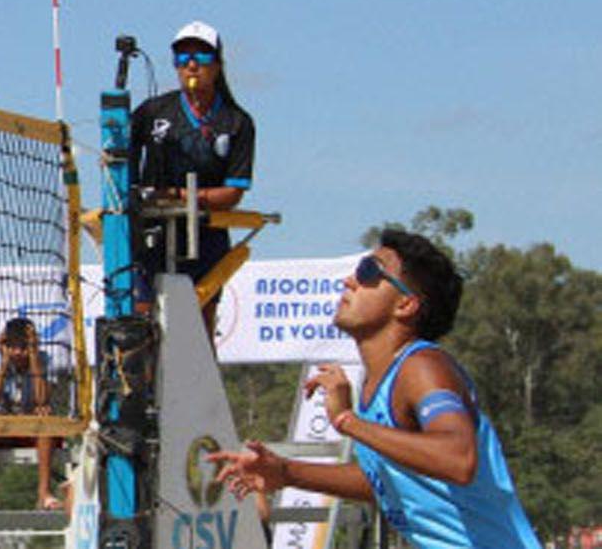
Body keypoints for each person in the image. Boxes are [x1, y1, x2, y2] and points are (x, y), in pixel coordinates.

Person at [209, 231, 542, 549]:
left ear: (406, 305)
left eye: (368, 272)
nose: (349, 280)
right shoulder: (379, 381)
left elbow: (459, 458)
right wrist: (286, 472)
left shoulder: (421, 367)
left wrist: (347, 420)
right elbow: (387, 484)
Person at [130, 20, 255, 325]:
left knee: (199, 323)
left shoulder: (237, 121)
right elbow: (122, 163)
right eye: (182, 58)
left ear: (217, 65)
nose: (191, 66)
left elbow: (232, 193)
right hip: (152, 234)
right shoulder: (153, 112)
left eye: (201, 57)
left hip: (206, 236)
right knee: (144, 322)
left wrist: (182, 196)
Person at [0, 317, 60, 512]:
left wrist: (34, 359)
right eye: (13, 346)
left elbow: (42, 400)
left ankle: (44, 493)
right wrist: (4, 363)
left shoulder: (44, 359)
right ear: (5, 345)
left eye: (24, 347)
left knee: (46, 422)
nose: (18, 353)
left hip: (32, 428)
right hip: (4, 428)